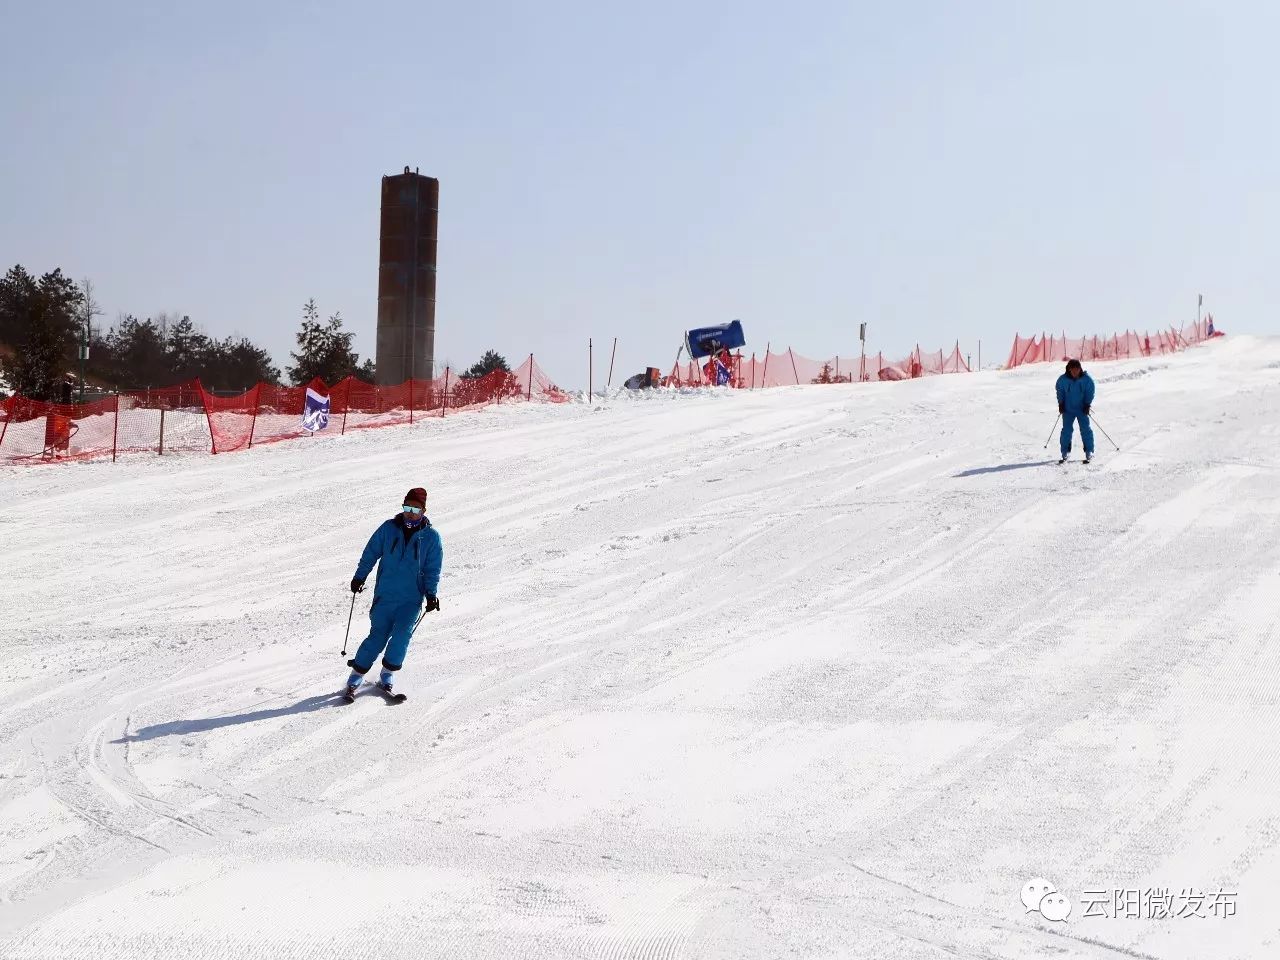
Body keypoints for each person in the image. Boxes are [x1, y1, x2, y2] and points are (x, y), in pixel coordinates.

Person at [344, 487, 443, 700]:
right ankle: (356, 675)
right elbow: (370, 553)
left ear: (424, 511)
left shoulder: (431, 538)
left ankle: (387, 674)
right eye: (407, 507)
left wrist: (431, 594)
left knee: (401, 636)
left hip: (410, 599)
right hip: (385, 596)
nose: (410, 513)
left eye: (416, 509)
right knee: (377, 637)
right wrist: (359, 577)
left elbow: (433, 569)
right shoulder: (388, 529)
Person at [1055, 359, 1096, 463]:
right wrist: (1061, 403)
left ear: (1080, 369)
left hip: (1081, 409)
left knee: (1085, 429)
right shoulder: (1062, 380)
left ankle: (1089, 451)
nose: (1075, 372)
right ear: (1069, 370)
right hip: (1068, 410)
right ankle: (1065, 451)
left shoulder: (1086, 380)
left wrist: (1087, 404)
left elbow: (1090, 391)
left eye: (1077, 370)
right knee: (1066, 430)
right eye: (1072, 370)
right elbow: (1059, 391)